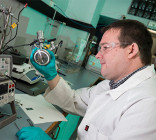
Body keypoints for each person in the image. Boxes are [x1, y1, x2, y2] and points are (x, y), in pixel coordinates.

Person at [16, 19, 156, 140]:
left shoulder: (148, 104)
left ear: (131, 50)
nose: (97, 56)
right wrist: (51, 75)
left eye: (105, 48)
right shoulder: (112, 84)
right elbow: (74, 101)